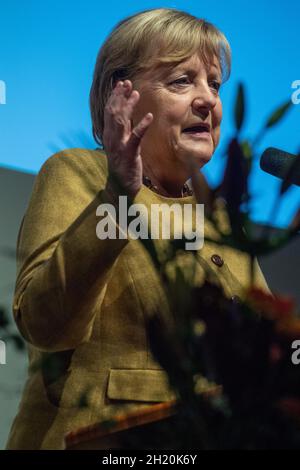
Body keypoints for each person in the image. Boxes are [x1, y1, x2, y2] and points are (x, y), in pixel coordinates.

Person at [6, 7, 269, 449]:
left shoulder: (220, 218)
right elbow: (45, 325)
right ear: (120, 96)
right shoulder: (78, 174)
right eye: (182, 81)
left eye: (214, 84)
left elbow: (263, 355)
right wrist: (117, 197)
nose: (208, 99)